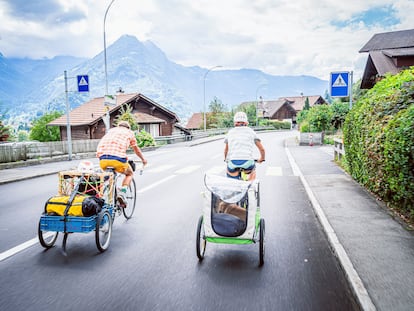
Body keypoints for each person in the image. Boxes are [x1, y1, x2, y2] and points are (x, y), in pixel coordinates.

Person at [96, 121, 147, 207]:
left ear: (118, 126)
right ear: (128, 128)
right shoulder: (129, 133)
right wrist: (143, 159)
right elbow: (136, 149)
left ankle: (104, 193)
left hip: (103, 159)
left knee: (109, 177)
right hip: (118, 160)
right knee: (130, 174)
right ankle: (122, 193)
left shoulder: (111, 131)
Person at [224, 111, 265, 180]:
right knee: (252, 172)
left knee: (231, 177)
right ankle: (250, 187)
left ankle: (233, 187)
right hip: (247, 162)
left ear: (235, 123)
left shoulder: (230, 133)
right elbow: (262, 149)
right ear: (246, 122)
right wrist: (262, 158)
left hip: (233, 162)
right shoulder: (251, 132)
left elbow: (226, 150)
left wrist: (226, 159)